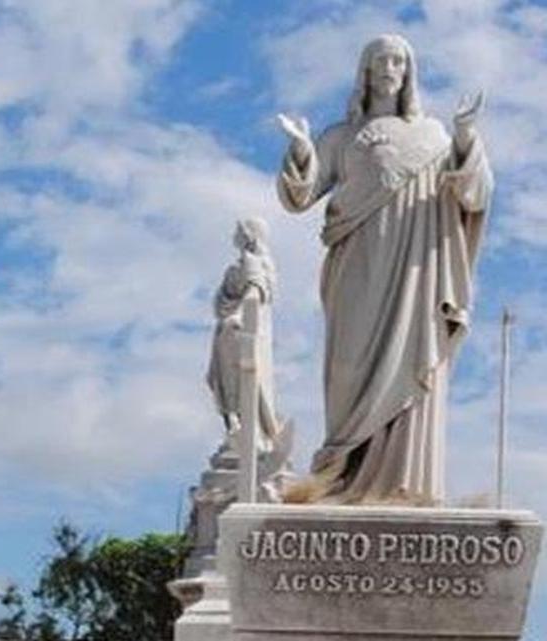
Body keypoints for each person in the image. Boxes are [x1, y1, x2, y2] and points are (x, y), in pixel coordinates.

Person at [276, 34, 493, 503]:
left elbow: (472, 193)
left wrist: (465, 138)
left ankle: (402, 483)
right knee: (349, 367)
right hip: (356, 267)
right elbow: (301, 195)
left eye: (399, 61)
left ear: (409, 71)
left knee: (410, 360)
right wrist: (301, 150)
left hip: (415, 271)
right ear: (366, 71)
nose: (390, 68)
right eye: (381, 60)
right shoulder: (341, 137)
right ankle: (341, 475)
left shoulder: (434, 136)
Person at [206, 218, 281, 449]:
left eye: (238, 232)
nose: (234, 236)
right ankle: (234, 423)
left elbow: (256, 293)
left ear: (249, 235)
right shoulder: (236, 267)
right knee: (219, 378)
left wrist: (238, 317)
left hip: (239, 331)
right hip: (226, 331)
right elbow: (220, 302)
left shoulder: (255, 262)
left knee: (241, 378)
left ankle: (249, 427)